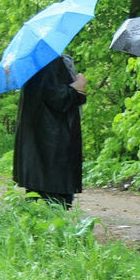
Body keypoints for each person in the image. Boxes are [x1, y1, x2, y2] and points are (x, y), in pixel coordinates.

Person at [13, 54, 87, 208]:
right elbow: (57, 97)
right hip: (50, 144)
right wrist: (78, 86)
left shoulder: (34, 61)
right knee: (51, 200)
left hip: (41, 142)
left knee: (41, 198)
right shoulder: (47, 61)